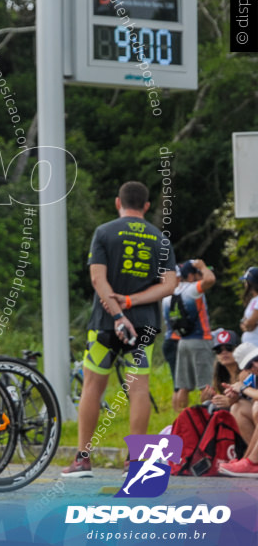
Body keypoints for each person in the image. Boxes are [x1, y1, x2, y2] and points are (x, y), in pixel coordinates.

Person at [62, 181, 177, 478]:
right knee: (139, 389)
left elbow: (98, 281)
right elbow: (170, 285)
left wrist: (117, 311)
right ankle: (135, 462)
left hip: (105, 322)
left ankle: (83, 459)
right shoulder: (160, 239)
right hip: (145, 325)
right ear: (147, 206)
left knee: (92, 386)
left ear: (118, 203)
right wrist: (132, 301)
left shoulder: (104, 232)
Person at [166, 259, 217, 412]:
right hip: (200, 340)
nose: (201, 276)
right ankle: (205, 417)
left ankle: (180, 418)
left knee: (183, 386)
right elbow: (210, 279)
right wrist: (201, 266)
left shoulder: (170, 294)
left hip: (182, 342)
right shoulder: (192, 290)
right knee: (206, 385)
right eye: (198, 274)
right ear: (190, 276)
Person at [217, 343, 258, 476]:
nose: (255, 365)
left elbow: (246, 389)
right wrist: (232, 396)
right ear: (246, 370)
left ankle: (252, 462)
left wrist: (243, 388)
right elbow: (233, 399)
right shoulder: (252, 377)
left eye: (257, 359)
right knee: (237, 407)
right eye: (249, 365)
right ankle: (249, 461)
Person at [239, 267, 258, 346]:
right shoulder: (253, 300)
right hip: (250, 344)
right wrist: (245, 324)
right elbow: (243, 323)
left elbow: (250, 323)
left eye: (246, 281)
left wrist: (246, 324)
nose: (245, 284)